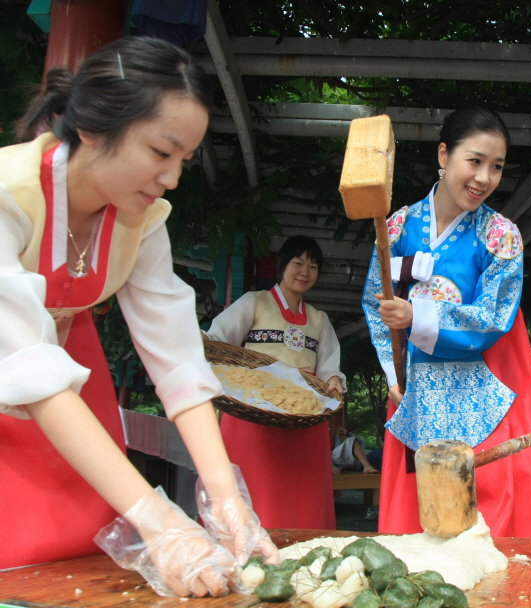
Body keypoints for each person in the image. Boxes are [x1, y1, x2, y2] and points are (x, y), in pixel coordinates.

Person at [0, 36, 277, 594]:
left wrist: (225, 500)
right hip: (34, 376)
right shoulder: (9, 192)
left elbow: (176, 358)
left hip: (69, 382)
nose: (172, 178)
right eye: (160, 152)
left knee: (77, 550)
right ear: (95, 128)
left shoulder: (143, 218)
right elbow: (30, 368)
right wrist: (161, 522)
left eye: (183, 161)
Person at [363, 106, 531, 537]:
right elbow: (375, 300)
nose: (484, 178)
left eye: (496, 167)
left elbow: (495, 318)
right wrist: (392, 369)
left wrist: (417, 313)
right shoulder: (397, 226)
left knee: (486, 525)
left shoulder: (501, 235)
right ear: (444, 155)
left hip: (480, 395)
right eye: (474, 161)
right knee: (414, 527)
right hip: (414, 395)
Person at [204, 235, 346, 529]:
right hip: (253, 412)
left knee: (302, 492)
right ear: (283, 266)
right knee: (254, 486)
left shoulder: (320, 319)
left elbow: (329, 368)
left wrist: (333, 379)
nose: (304, 272)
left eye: (313, 266)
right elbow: (216, 340)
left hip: (304, 417)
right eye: (298, 263)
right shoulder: (254, 302)